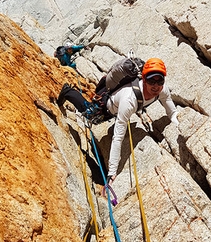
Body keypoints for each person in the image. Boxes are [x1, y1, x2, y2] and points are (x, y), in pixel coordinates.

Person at [56, 57, 179, 185]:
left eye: (160, 81)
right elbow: (118, 137)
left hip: (118, 109)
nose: (156, 86)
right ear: (144, 78)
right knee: (90, 115)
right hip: (106, 108)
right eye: (151, 80)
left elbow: (167, 100)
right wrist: (112, 171)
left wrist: (174, 117)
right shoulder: (129, 100)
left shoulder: (161, 89)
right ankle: (68, 91)